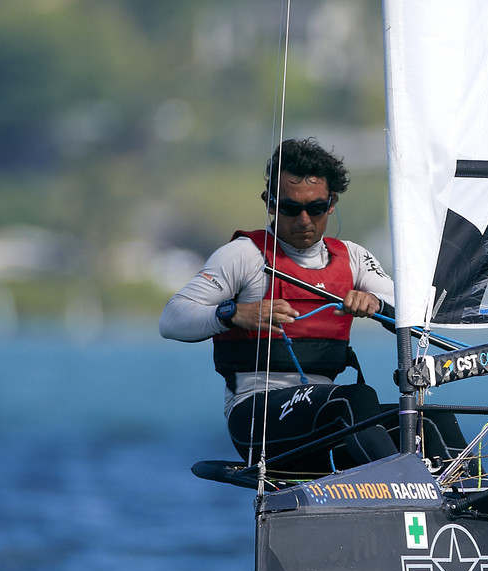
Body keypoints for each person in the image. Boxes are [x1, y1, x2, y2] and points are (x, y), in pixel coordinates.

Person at [161, 138, 455, 474]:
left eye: (315, 208)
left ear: (331, 204)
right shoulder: (243, 255)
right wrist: (234, 313)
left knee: (430, 420)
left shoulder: (354, 258)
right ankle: (406, 486)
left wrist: (377, 303)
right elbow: (171, 319)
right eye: (290, 208)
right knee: (356, 398)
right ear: (270, 204)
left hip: (326, 419)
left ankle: (471, 493)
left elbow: (417, 311)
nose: (303, 220)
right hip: (256, 421)